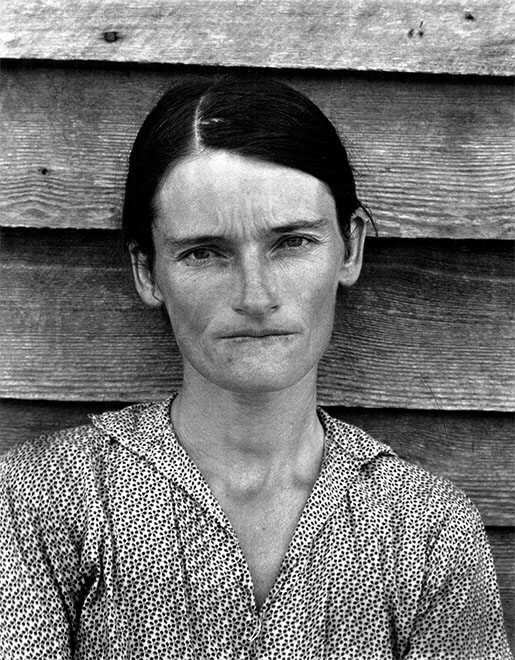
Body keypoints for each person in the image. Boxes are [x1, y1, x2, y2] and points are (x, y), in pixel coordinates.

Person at [0, 76, 511, 660]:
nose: (256, 295)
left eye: (291, 243)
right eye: (204, 252)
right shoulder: (37, 503)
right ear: (147, 272)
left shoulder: (430, 530)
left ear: (351, 248)